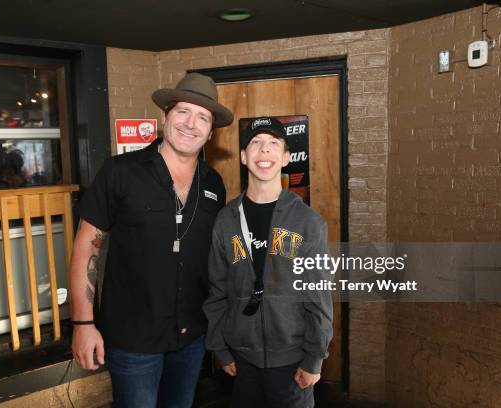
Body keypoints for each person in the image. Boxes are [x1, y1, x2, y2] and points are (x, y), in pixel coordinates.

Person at [70, 73, 233, 408]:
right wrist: (83, 323)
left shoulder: (214, 184)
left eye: (203, 117)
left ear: (211, 131)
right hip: (133, 338)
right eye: (183, 112)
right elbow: (87, 245)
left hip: (192, 337)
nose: (191, 124)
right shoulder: (120, 172)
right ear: (164, 117)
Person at [203, 117, 333, 408]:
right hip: (242, 360)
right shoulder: (225, 220)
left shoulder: (307, 222)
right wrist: (219, 348)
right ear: (243, 156)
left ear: (286, 157)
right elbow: (217, 290)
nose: (264, 152)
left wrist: (314, 357)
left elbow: (319, 295)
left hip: (292, 360)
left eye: (273, 144)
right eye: (256, 144)